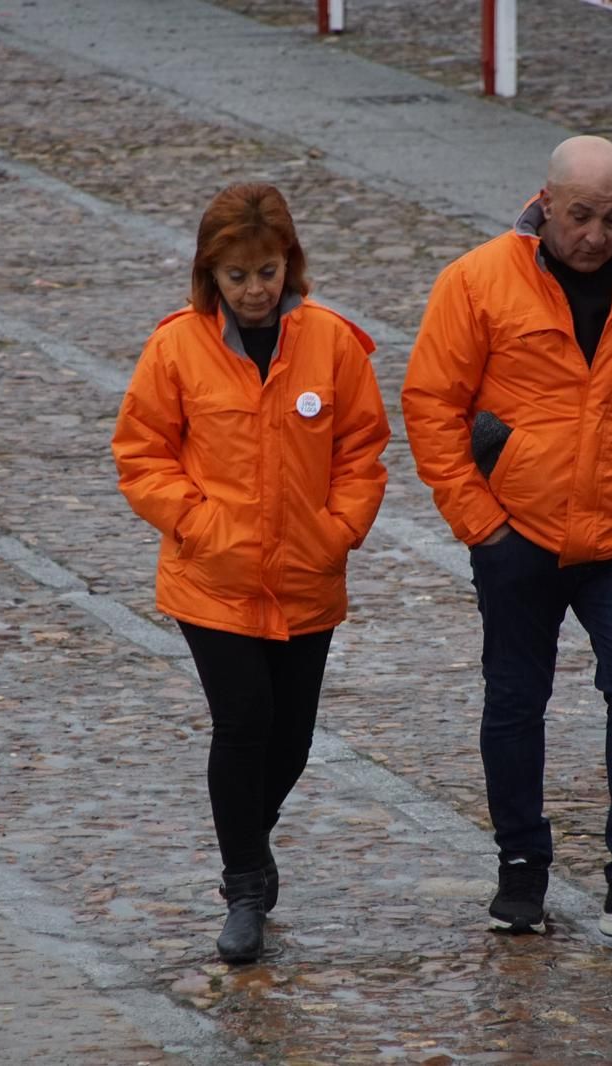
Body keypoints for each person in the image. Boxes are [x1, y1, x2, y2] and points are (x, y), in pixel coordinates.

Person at [401, 136, 612, 944]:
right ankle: (521, 869)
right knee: (516, 698)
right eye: (580, 215)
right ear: (544, 202)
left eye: (611, 217)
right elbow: (430, 407)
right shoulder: (476, 283)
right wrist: (483, 526)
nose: (595, 234)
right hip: (519, 533)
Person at [112, 183, 390, 964]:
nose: (255, 290)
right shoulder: (177, 348)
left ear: (288, 264)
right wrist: (197, 524)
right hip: (214, 579)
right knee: (244, 723)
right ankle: (244, 886)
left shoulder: (332, 342)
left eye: (266, 271)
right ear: (211, 277)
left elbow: (363, 450)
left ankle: (248, 844)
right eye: (237, 276)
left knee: (292, 739)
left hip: (308, 577)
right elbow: (142, 454)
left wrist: (339, 530)